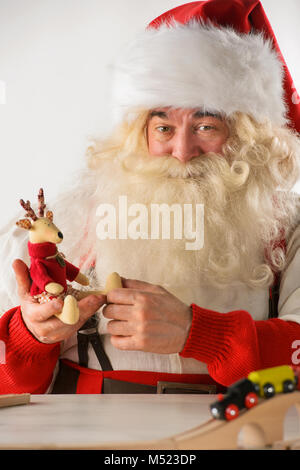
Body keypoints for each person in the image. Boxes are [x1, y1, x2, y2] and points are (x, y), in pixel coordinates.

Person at [1, 0, 300, 395]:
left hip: (235, 430)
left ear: (248, 135)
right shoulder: (61, 226)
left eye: (206, 125)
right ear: (138, 132)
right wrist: (31, 335)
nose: (182, 150)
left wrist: (204, 334)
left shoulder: (287, 227)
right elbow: (11, 388)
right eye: (163, 127)